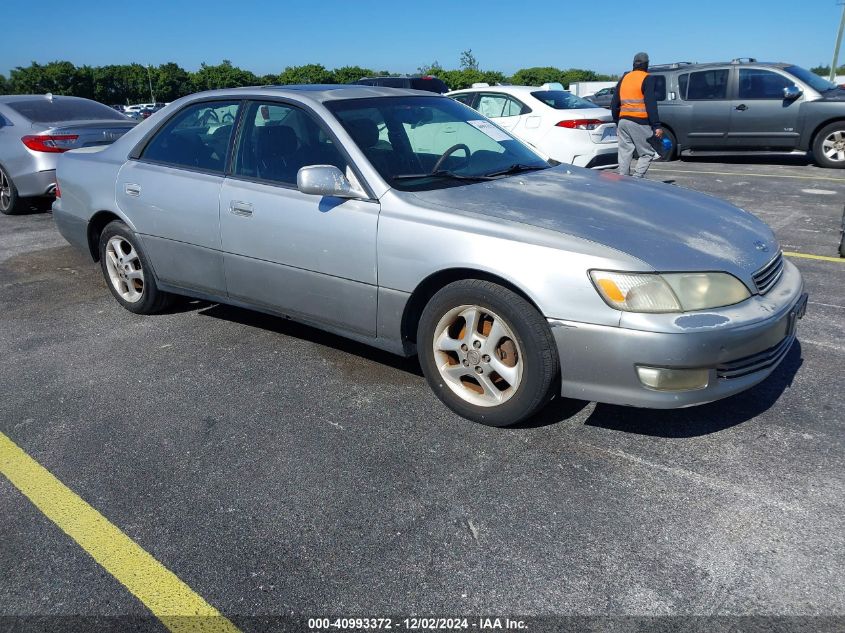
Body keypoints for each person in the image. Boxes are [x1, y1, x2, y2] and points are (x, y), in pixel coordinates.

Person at [611, 52, 663, 178]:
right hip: (639, 121)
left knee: (625, 152)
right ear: (647, 64)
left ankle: (623, 180)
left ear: (633, 64)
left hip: (623, 121)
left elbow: (614, 103)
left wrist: (617, 122)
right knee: (647, 153)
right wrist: (656, 125)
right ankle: (636, 179)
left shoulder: (625, 77)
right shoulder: (647, 78)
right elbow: (650, 103)